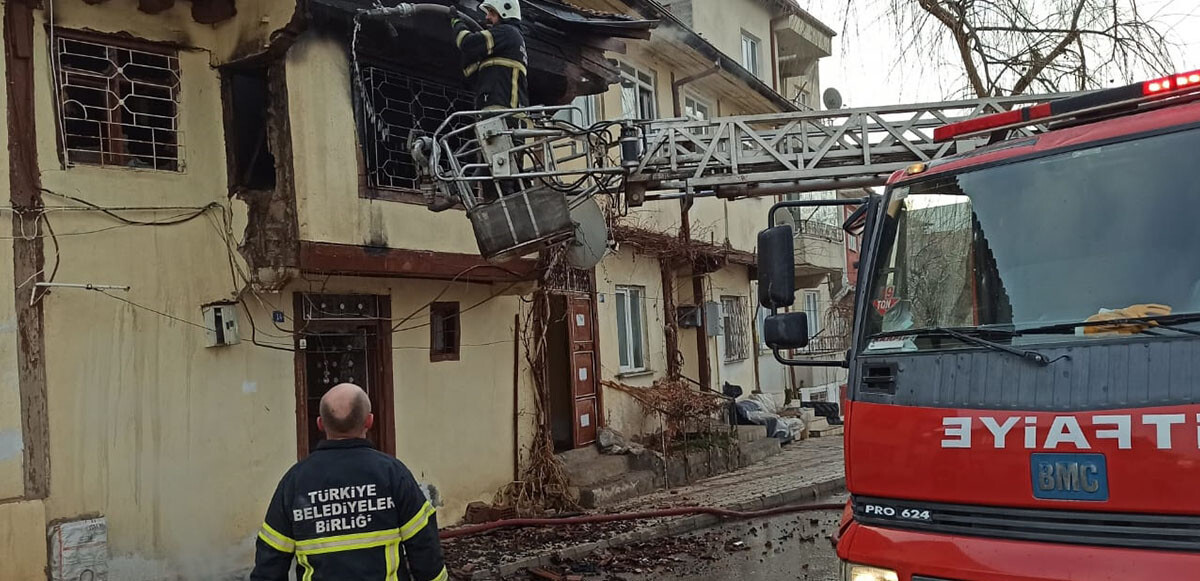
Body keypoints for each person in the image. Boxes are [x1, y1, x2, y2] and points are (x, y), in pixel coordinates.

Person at [250, 383, 446, 581]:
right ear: (369, 421)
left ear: (320, 424)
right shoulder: (394, 474)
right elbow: (425, 550)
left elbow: (270, 564)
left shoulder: (294, 482)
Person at [451, 0, 529, 199]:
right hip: (495, 121)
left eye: (492, 13)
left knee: (502, 178)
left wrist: (456, 22)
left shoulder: (509, 33)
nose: (487, 18)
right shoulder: (502, 46)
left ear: (505, 13)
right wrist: (470, 50)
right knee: (495, 181)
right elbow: (469, 75)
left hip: (503, 120)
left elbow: (468, 44)